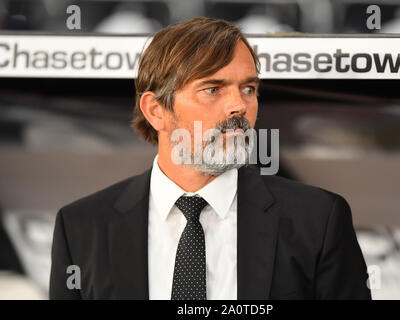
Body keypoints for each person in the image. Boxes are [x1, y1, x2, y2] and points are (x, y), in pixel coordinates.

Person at [49, 17, 371, 300]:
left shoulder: (318, 221)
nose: (239, 106)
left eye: (248, 88)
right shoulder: (81, 227)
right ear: (155, 110)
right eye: (213, 89)